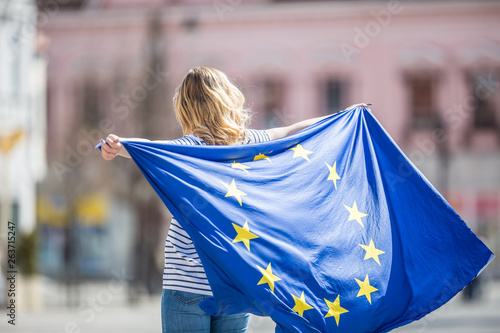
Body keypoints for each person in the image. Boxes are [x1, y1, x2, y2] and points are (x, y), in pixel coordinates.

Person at [101, 66, 368, 332]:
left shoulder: (189, 148)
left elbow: (150, 148)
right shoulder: (250, 142)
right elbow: (290, 131)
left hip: (186, 284)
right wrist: (342, 117)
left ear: (185, 108)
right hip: (235, 284)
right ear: (227, 98)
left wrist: (118, 144)